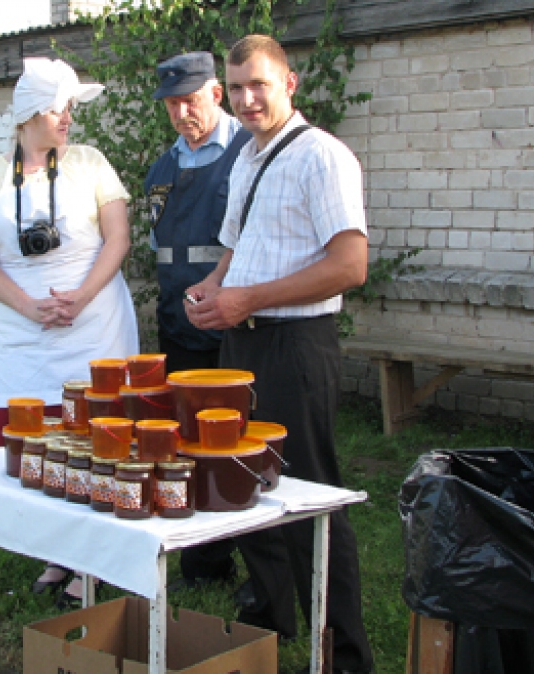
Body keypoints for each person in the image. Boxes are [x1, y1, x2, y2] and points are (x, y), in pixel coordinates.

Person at [185, 35, 373, 674]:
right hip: (243, 338)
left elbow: (350, 265)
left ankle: (344, 651)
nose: (246, 99)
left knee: (312, 493)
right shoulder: (245, 158)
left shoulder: (322, 156)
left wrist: (248, 298)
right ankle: (271, 609)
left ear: (289, 83)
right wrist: (214, 287)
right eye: (235, 88)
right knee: (243, 480)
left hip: (298, 344)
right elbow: (238, 246)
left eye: (258, 85)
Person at [0, 57, 140, 607]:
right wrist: (29, 306)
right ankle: (59, 550)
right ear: (31, 113)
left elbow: (118, 239)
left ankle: (95, 555)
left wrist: (80, 298)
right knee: (40, 445)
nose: (68, 119)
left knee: (96, 440)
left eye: (68, 109)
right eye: (61, 108)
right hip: (20, 336)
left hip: (94, 329)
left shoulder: (91, 163)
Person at [144, 52, 255, 598]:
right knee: (186, 441)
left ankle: (255, 556)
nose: (182, 111)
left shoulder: (250, 154)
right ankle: (201, 557)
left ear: (216, 92)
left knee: (234, 443)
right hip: (177, 325)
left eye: (190, 98)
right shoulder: (161, 168)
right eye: (171, 103)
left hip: (237, 326)